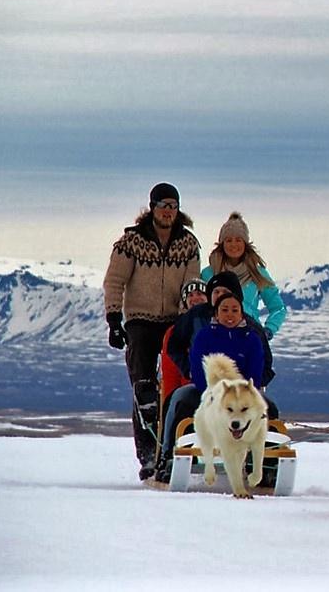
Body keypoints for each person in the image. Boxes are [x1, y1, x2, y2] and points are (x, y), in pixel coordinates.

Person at [103, 182, 200, 480]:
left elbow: (191, 285)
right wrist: (114, 320)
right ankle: (147, 455)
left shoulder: (188, 244)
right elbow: (115, 280)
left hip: (174, 320)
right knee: (143, 389)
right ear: (152, 208)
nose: (168, 212)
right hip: (141, 321)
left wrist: (190, 323)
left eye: (173, 206)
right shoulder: (131, 242)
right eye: (163, 206)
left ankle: (172, 450)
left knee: (178, 388)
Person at [155, 289, 277, 484]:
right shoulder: (205, 337)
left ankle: (267, 465)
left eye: (234, 310)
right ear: (216, 313)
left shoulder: (252, 338)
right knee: (180, 401)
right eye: (225, 310)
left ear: (241, 313)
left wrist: (247, 394)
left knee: (270, 408)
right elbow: (198, 367)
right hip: (206, 391)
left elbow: (255, 371)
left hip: (242, 395)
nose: (230, 315)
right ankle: (168, 457)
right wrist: (212, 394)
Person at [201, 212, 287, 340]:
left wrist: (269, 329)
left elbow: (278, 308)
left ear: (245, 243)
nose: (233, 245)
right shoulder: (209, 274)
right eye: (229, 240)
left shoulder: (257, 273)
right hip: (216, 338)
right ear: (222, 244)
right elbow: (199, 306)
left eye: (238, 240)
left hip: (249, 337)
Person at [155, 277, 209, 458]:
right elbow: (170, 369)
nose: (196, 298)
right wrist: (171, 397)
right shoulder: (175, 331)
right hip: (188, 388)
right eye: (191, 295)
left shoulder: (218, 324)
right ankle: (168, 455)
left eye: (200, 294)